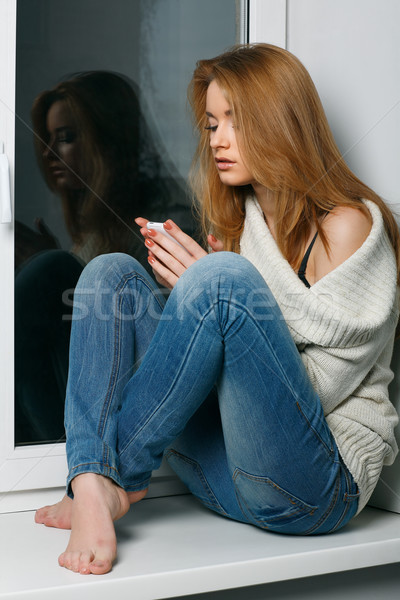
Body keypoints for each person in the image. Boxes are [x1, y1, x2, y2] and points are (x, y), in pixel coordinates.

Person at [35, 43, 399, 576]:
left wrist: (216, 293)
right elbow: (205, 377)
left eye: (236, 121)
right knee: (108, 275)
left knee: (219, 279)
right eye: (212, 124)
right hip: (223, 477)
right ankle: (92, 478)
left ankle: (111, 479)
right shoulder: (240, 224)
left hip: (312, 490)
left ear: (281, 124)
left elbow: (316, 392)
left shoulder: (346, 226)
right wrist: (201, 302)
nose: (219, 139)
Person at [15, 71, 195, 444]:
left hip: (147, 407)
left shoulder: (164, 222)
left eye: (65, 138)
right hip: (99, 400)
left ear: (106, 140)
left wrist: (54, 270)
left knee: (51, 271)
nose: (48, 154)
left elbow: (151, 333)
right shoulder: (92, 227)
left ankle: (72, 457)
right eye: (47, 140)